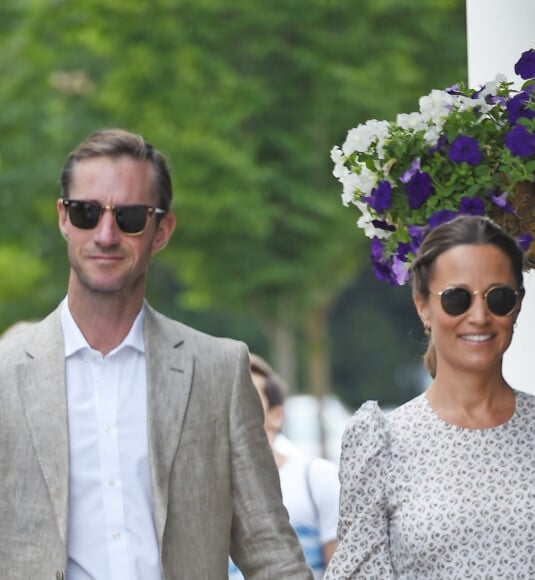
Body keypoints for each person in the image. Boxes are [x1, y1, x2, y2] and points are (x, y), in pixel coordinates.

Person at [0, 128, 313, 580]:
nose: (105, 235)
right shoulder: (6, 375)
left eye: (129, 217)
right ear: (63, 219)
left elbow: (269, 550)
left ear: (161, 230)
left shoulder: (219, 372)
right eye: (87, 213)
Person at [325, 215, 535, 578]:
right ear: (422, 305)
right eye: (457, 299)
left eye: (499, 298)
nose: (479, 316)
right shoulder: (382, 444)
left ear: (517, 306)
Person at [230, 354, 340, 580]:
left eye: (247, 397)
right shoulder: (209, 490)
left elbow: (342, 569)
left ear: (277, 415)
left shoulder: (318, 479)